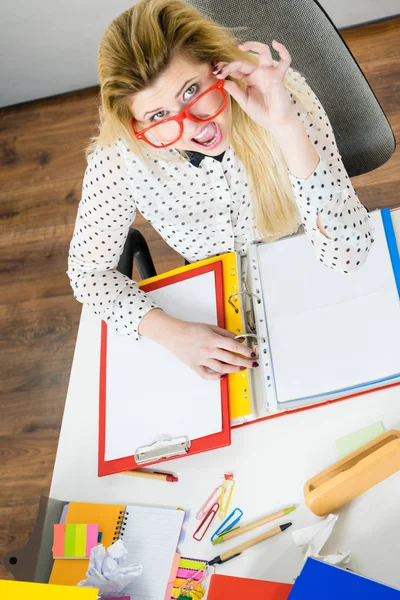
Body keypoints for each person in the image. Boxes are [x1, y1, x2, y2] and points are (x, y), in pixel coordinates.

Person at [67, 0, 373, 380]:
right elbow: (87, 273)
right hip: (210, 288)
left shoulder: (279, 94)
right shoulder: (119, 156)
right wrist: (171, 333)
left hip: (305, 257)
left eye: (191, 90)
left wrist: (286, 127)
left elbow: (350, 255)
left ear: (217, 67)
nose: (193, 126)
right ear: (134, 123)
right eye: (159, 116)